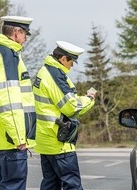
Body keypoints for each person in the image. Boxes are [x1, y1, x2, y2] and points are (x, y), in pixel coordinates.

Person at [0, 16, 36, 190]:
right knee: (14, 186)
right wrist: (19, 137)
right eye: (25, 33)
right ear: (16, 33)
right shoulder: (7, 56)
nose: (25, 38)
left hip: (0, 136)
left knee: (7, 185)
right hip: (11, 139)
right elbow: (9, 101)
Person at [32, 41, 96, 190]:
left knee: (50, 184)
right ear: (63, 59)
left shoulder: (45, 71)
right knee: (72, 185)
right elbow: (71, 108)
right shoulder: (55, 75)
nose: (72, 66)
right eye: (71, 61)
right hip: (59, 141)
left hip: (46, 140)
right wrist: (90, 99)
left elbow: (63, 101)